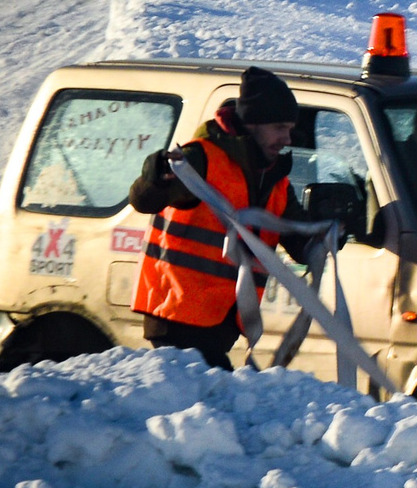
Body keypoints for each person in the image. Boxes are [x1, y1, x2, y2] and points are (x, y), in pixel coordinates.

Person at [127, 66, 308, 369]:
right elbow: (144, 200)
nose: (286, 138)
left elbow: (299, 244)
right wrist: (156, 174)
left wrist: (330, 230)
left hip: (220, 323)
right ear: (253, 123)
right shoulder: (201, 159)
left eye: (289, 128)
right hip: (176, 317)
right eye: (279, 127)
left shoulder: (275, 180)